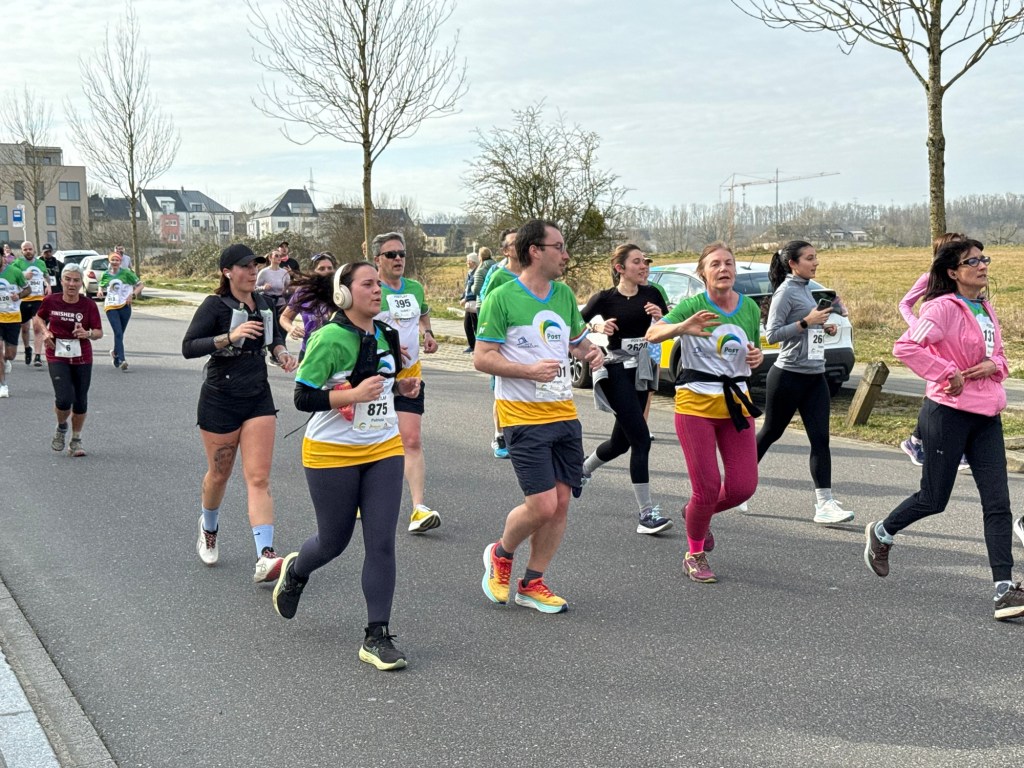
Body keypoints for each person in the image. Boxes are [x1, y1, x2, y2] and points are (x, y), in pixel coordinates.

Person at [864, 239, 1024, 620]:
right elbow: (905, 347)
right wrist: (946, 372)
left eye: (984, 259)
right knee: (934, 498)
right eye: (972, 261)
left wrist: (995, 366)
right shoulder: (941, 309)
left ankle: (1004, 590)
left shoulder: (985, 308)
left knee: (998, 503)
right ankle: (882, 533)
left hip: (986, 415)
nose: (982, 266)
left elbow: (999, 357)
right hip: (948, 414)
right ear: (953, 272)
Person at [273, 261, 421, 670]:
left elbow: (385, 385)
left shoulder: (387, 334)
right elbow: (303, 397)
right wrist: (351, 395)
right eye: (367, 284)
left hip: (383, 448)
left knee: (381, 541)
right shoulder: (328, 338)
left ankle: (377, 636)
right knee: (333, 541)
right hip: (331, 452)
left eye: (378, 285)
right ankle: (296, 571)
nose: (377, 290)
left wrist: (402, 387)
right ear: (344, 293)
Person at [474, 219, 604, 613]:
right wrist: (528, 371)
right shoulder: (502, 297)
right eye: (558, 247)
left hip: (563, 412)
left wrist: (590, 351)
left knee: (561, 504)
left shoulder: (563, 295)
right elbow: (482, 357)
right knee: (543, 505)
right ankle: (501, 553)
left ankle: (532, 583)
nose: (566, 255)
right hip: (522, 416)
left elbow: (575, 341)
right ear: (535, 251)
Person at [181, 244, 298, 584]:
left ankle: (266, 555)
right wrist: (229, 337)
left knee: (258, 478)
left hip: (257, 396)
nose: (251, 271)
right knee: (220, 474)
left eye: (254, 266)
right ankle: (209, 527)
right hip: (220, 398)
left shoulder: (264, 304)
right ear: (227, 272)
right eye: (245, 266)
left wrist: (282, 354)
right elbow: (189, 347)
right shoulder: (214, 305)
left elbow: (274, 340)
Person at [646, 243, 762, 582]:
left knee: (743, 488)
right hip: (695, 405)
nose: (723, 269)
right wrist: (682, 327)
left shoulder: (749, 307)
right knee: (708, 487)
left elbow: (751, 351)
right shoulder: (693, 305)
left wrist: (755, 358)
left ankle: (695, 512)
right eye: (715, 264)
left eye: (729, 263)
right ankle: (694, 554)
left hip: (736, 404)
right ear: (703, 272)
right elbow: (652, 334)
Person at [755, 240, 853, 525]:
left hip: (815, 376)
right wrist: (807, 322)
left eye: (816, 257)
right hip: (788, 376)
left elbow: (806, 325)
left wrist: (823, 325)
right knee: (771, 432)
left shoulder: (805, 288)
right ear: (793, 264)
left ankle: (825, 503)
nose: (816, 262)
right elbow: (772, 334)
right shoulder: (785, 292)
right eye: (809, 258)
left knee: (821, 439)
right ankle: (739, 484)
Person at [580, 244, 672, 534]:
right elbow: (575, 325)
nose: (644, 266)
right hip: (617, 371)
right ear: (620, 268)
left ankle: (582, 470)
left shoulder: (652, 294)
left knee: (621, 443)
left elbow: (667, 328)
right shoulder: (605, 298)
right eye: (637, 262)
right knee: (641, 440)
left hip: (642, 371)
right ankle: (646, 515)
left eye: (645, 261)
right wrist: (598, 329)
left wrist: (659, 318)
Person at [372, 231, 441, 534]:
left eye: (401, 253)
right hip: (375, 376)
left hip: (410, 374)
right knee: (373, 438)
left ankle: (418, 508)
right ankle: (362, 495)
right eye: (391, 254)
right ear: (378, 259)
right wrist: (384, 345)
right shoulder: (370, 289)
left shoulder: (414, 288)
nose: (398, 258)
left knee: (411, 440)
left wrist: (428, 333)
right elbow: (355, 327)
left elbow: (422, 313)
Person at [898, 233, 970, 472]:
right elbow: (904, 304)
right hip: (932, 342)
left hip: (955, 341)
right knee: (941, 392)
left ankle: (919, 441)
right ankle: (925, 443)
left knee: (949, 392)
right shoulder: (929, 278)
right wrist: (917, 326)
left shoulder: (963, 281)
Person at [32, 263, 103, 456]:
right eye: (68, 279)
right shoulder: (51, 300)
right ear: (61, 281)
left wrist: (87, 333)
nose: (72, 284)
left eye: (76, 280)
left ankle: (76, 440)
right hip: (57, 354)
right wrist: (46, 332)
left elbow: (98, 332)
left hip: (82, 356)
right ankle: (62, 425)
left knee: (80, 400)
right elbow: (38, 318)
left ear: (81, 283)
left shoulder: (88, 305)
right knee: (63, 399)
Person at [481, 228, 519, 459]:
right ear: (505, 250)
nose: (520, 246)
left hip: (526, 342)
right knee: (502, 390)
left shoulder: (536, 274)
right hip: (503, 343)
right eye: (514, 243)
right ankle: (499, 435)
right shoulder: (498, 275)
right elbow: (486, 306)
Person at [280, 252, 337, 362]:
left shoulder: (341, 292)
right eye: (321, 268)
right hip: (309, 352)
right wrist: (291, 328)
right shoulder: (304, 292)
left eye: (330, 268)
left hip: (336, 354)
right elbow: (285, 317)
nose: (326, 271)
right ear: (313, 271)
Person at [97, 250, 144, 370]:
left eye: (117, 260)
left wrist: (132, 295)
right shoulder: (105, 274)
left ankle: (115, 353)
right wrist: (100, 290)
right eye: (112, 260)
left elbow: (140, 285)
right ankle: (122, 360)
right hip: (111, 306)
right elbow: (101, 284)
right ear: (109, 261)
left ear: (120, 262)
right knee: (117, 332)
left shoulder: (127, 273)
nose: (114, 262)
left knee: (120, 333)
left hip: (125, 305)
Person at [12, 241, 51, 367]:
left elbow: (46, 275)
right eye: (25, 249)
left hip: (38, 299)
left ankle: (38, 356)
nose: (28, 251)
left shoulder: (40, 263)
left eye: (30, 249)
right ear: (22, 251)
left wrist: (48, 285)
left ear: (34, 250)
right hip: (23, 299)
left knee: (37, 326)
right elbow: (12, 276)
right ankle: (27, 348)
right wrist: (23, 275)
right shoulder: (17, 263)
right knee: (24, 329)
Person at [0, 260, 29, 398]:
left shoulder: (15, 272)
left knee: (10, 354)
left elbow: (28, 289)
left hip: (12, 318)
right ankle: (3, 385)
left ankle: (6, 360)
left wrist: (19, 295)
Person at [459, 251, 480, 353]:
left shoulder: (477, 273)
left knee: (476, 325)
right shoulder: (470, 272)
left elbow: (475, 289)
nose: (467, 262)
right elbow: (467, 288)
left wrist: (466, 299)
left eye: (468, 260)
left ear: (473, 262)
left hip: (474, 302)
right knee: (467, 325)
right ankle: (472, 345)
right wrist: (462, 297)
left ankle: (478, 347)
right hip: (469, 303)